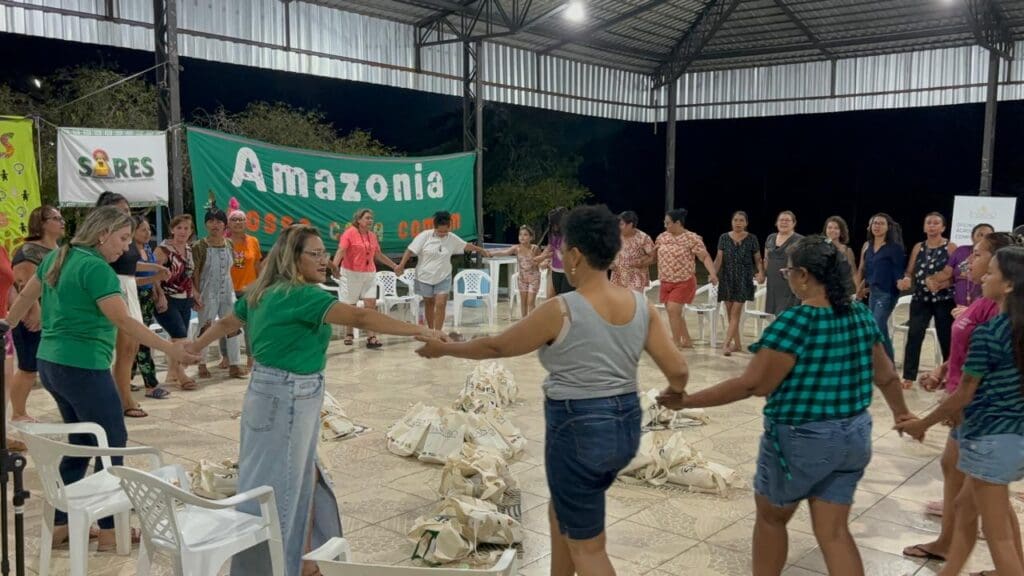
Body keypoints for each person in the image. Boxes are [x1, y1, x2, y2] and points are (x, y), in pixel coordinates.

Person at [416, 205, 689, 576]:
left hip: (579, 429)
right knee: (562, 509)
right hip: (623, 428)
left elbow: (497, 346)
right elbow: (678, 369)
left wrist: (444, 347)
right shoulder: (642, 306)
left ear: (574, 255)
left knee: (589, 548)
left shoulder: (562, 309)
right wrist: (675, 392)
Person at [187, 224, 444, 576]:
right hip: (288, 397)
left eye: (324, 253)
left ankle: (306, 561)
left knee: (298, 478)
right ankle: (275, 568)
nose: (324, 260)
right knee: (280, 489)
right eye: (316, 254)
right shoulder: (302, 296)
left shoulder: (263, 292)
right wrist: (419, 329)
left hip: (268, 392)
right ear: (294, 258)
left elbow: (226, 323)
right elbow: (359, 315)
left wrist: (195, 349)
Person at [658, 235, 914, 576]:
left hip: (800, 440)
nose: (787, 277)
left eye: (788, 271)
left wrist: (687, 401)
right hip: (853, 437)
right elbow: (886, 376)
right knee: (835, 532)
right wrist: (901, 412)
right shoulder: (859, 316)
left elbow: (753, 384)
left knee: (771, 519)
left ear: (805, 275)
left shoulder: (796, 323)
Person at [3, 206, 198, 550]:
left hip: (52, 364)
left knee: (82, 445)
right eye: (123, 239)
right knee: (112, 445)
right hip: (83, 368)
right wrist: (172, 350)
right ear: (102, 233)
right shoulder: (96, 269)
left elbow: (26, 297)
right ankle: (111, 531)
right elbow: (125, 321)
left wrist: (6, 325)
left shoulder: (59, 257)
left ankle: (61, 525)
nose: (125, 248)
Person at [896, 244, 1024, 576]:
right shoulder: (1016, 330)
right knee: (965, 508)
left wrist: (922, 422)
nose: (984, 277)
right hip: (1012, 439)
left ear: (1008, 284)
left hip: (990, 441)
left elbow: (965, 392)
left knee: (999, 540)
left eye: (991, 272)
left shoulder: (990, 334)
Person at [97, 191, 167, 419]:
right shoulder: (103, 238)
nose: (127, 215)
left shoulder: (124, 239)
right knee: (123, 347)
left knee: (131, 348)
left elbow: (130, 267)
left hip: (129, 289)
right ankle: (123, 399)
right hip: (114, 289)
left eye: (128, 211)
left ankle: (122, 395)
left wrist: (155, 270)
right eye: (122, 211)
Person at [10, 205, 64, 422]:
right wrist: (34, 312)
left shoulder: (57, 249)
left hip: (55, 316)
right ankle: (18, 412)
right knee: (28, 368)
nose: (61, 222)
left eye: (61, 218)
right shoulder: (29, 251)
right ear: (42, 223)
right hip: (32, 316)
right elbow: (24, 285)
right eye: (55, 218)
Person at [395, 211, 489, 331]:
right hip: (424, 276)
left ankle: (438, 333)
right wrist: (401, 265)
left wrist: (480, 250)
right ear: (434, 227)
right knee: (429, 303)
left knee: (441, 303)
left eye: (445, 231)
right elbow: (409, 250)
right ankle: (430, 329)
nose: (443, 234)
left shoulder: (452, 238)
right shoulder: (425, 236)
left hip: (443, 277)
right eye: (440, 231)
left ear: (449, 227)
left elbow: (466, 246)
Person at [897, 212, 957, 387]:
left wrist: (942, 284)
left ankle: (949, 376)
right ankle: (909, 377)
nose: (932, 226)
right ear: (924, 227)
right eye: (928, 222)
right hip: (921, 298)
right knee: (914, 334)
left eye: (936, 223)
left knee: (946, 338)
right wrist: (907, 279)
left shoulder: (951, 247)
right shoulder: (918, 247)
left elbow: (956, 275)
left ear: (943, 227)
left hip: (944, 299)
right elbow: (910, 271)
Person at [331, 208, 402, 348]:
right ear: (358, 220)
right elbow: (341, 251)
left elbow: (379, 255)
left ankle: (371, 337)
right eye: (367, 218)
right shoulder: (349, 233)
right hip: (351, 273)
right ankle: (349, 333)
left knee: (371, 305)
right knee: (350, 306)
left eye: (371, 218)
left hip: (369, 274)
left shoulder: (372, 235)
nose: (370, 220)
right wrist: (334, 267)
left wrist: (394, 266)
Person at [193, 208, 247, 378]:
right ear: (206, 224)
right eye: (211, 221)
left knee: (232, 326)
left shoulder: (229, 244)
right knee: (205, 327)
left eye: (218, 221)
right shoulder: (199, 246)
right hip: (207, 291)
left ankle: (235, 363)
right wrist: (195, 293)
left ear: (225, 225)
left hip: (227, 290)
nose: (214, 225)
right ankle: (201, 363)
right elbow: (194, 272)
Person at [654, 208, 718, 349]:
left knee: (672, 310)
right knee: (674, 313)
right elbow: (653, 255)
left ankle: (676, 343)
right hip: (665, 281)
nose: (666, 226)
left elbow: (705, 256)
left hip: (684, 281)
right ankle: (687, 340)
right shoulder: (662, 237)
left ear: (678, 223)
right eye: (665, 223)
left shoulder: (692, 238)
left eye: (668, 223)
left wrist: (713, 274)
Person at [154, 214, 198, 390]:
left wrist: (194, 293)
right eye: (179, 227)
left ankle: (171, 374)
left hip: (185, 299)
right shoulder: (163, 250)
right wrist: (159, 295)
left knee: (176, 338)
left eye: (186, 228)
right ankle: (182, 375)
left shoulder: (188, 249)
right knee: (180, 337)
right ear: (172, 229)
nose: (182, 231)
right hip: (167, 298)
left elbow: (189, 275)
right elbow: (153, 275)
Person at [130, 216, 170, 399]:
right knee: (142, 340)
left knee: (134, 342)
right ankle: (151, 384)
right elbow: (131, 280)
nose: (147, 234)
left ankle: (125, 378)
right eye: (142, 230)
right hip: (133, 297)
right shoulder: (128, 251)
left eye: (148, 230)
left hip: (147, 298)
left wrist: (158, 292)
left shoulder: (147, 248)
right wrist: (155, 277)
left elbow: (154, 274)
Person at [855, 213, 906, 359]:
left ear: (888, 227)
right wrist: (861, 287)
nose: (877, 226)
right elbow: (868, 270)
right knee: (873, 328)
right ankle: (877, 362)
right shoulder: (868, 246)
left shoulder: (894, 248)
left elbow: (898, 271)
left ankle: (889, 363)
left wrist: (901, 282)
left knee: (878, 325)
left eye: (881, 223)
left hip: (887, 293)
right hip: (873, 292)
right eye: (875, 223)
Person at [714, 211, 765, 356]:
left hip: (743, 279)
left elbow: (758, 259)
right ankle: (737, 344)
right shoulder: (724, 237)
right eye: (735, 220)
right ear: (731, 221)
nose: (738, 223)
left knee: (735, 312)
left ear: (746, 223)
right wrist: (712, 273)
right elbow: (718, 259)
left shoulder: (752, 238)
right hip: (727, 278)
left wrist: (761, 272)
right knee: (730, 313)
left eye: (741, 220)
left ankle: (726, 344)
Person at [221, 200, 261, 370]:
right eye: (234, 220)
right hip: (228, 289)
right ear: (228, 224)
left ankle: (251, 357)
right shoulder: (223, 242)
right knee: (227, 325)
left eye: (241, 220)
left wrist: (261, 286)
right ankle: (226, 357)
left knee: (250, 325)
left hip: (249, 289)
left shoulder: (253, 241)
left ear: (246, 223)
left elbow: (257, 265)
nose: (238, 223)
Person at [0, 244, 26, 451]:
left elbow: (7, 285)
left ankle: (1, 433)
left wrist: (19, 310)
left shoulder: (1, 249)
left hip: (2, 324)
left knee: (5, 378)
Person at [490, 225, 543, 318]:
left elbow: (541, 261)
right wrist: (491, 253)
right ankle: (524, 321)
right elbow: (504, 252)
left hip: (534, 278)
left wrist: (542, 263)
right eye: (520, 234)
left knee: (530, 302)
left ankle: (532, 321)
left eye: (525, 235)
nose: (522, 237)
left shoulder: (535, 248)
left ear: (531, 237)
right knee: (523, 302)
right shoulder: (517, 248)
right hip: (522, 279)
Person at [764, 211, 803, 316]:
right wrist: (762, 273)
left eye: (787, 220)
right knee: (773, 316)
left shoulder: (800, 240)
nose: (784, 222)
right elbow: (766, 258)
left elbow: (803, 264)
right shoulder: (771, 238)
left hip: (789, 284)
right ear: (776, 223)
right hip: (772, 284)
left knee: (785, 315)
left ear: (794, 223)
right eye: (781, 220)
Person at [949, 223, 993, 310]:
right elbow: (955, 273)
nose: (984, 238)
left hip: (982, 307)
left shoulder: (994, 256)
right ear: (972, 237)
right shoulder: (961, 251)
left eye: (988, 236)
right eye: (980, 235)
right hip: (958, 306)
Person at [610, 211, 654, 292]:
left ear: (630, 225)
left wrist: (642, 263)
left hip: (635, 278)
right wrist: (610, 263)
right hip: (617, 277)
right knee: (618, 303)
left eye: (621, 224)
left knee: (634, 302)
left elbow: (653, 257)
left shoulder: (643, 238)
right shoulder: (615, 236)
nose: (618, 227)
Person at [537, 207, 572, 295]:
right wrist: (541, 257)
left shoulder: (570, 235)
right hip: (556, 270)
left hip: (568, 271)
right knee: (558, 295)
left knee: (565, 297)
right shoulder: (553, 233)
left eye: (555, 223)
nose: (554, 226)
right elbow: (550, 246)